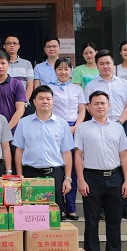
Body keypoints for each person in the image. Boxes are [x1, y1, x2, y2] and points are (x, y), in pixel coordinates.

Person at [75, 90, 127, 251]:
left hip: (115, 177)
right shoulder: (83, 128)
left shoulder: (117, 128)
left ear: (109, 106)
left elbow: (124, 155)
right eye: (96, 103)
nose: (100, 106)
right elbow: (78, 155)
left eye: (103, 103)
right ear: (89, 107)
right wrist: (81, 180)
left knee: (114, 220)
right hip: (92, 178)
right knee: (92, 220)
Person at [84, 50, 127, 221]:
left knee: (120, 165)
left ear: (113, 64)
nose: (105, 66)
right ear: (97, 66)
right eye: (101, 63)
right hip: (98, 126)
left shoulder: (123, 83)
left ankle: (124, 207)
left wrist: (119, 122)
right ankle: (100, 208)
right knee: (102, 162)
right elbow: (88, 106)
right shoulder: (91, 85)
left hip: (119, 126)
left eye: (108, 63)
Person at [13, 85, 74, 216]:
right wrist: (19, 176)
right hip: (30, 174)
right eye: (41, 98)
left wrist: (67, 178)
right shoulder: (24, 123)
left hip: (54, 174)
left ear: (53, 101)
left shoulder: (62, 124)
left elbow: (66, 152)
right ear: (34, 102)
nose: (45, 101)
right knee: (30, 216)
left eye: (48, 98)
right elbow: (19, 151)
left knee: (54, 216)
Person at [48, 57, 86, 220]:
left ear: (71, 70)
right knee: (58, 167)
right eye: (59, 69)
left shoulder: (77, 89)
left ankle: (71, 207)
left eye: (66, 69)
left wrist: (75, 127)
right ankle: (60, 207)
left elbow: (82, 110)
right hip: (54, 128)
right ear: (55, 71)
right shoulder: (49, 88)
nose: (63, 72)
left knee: (74, 169)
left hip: (74, 128)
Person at [0, 50, 26, 133]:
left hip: (12, 131)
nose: (0, 66)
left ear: (8, 65)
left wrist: (7, 129)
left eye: (3, 63)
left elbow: (20, 110)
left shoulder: (17, 84)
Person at [3, 34, 35, 105]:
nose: (12, 45)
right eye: (9, 43)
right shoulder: (0, 64)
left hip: (23, 104)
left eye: (14, 43)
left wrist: (24, 101)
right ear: (4, 46)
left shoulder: (27, 64)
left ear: (18, 46)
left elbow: (30, 85)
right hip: (5, 104)